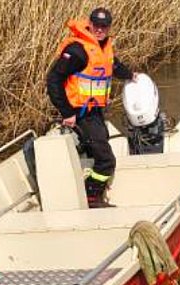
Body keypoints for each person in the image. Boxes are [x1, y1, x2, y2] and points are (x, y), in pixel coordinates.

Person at [46, 7, 136, 208]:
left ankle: (87, 179)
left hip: (93, 111)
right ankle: (91, 197)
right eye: (96, 25)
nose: (100, 29)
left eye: (104, 26)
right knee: (106, 161)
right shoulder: (77, 51)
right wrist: (67, 112)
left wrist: (131, 75)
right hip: (79, 112)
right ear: (90, 24)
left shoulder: (104, 47)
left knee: (101, 141)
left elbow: (113, 66)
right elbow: (53, 79)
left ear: (109, 27)